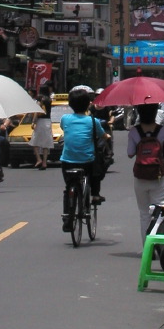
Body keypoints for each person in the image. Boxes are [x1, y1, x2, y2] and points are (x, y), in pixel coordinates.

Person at [59, 87, 110, 228]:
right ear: (88, 104)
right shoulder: (93, 121)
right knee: (96, 170)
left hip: (67, 160)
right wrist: (107, 136)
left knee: (68, 186)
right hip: (87, 160)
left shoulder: (65, 119)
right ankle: (95, 194)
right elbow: (102, 135)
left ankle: (67, 216)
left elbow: (65, 129)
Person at [127, 101, 164, 243]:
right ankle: (159, 242)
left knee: (144, 213)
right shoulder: (163, 130)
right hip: (158, 177)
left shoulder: (134, 131)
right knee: (162, 211)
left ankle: (147, 247)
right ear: (155, 113)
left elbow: (130, 153)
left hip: (140, 177)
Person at [30, 93, 53, 169]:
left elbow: (36, 113)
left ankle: (39, 159)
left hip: (40, 122)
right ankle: (44, 162)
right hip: (48, 121)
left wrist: (33, 122)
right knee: (46, 144)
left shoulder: (40, 101)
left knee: (34, 141)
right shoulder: (49, 100)